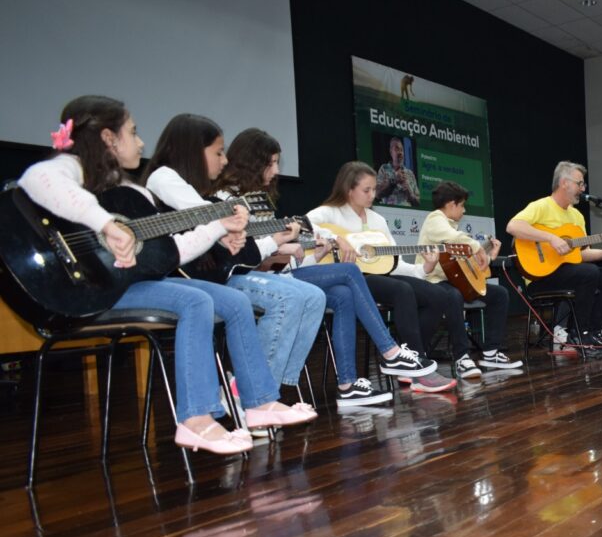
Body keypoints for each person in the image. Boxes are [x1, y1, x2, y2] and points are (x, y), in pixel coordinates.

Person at [17, 96, 313, 456]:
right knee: (196, 299)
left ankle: (259, 402)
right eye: (134, 132)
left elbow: (169, 253)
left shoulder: (132, 193)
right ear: (109, 138)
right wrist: (105, 225)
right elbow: (37, 179)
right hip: (90, 289)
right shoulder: (73, 169)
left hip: (133, 283)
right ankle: (196, 419)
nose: (142, 142)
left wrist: (218, 226)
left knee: (235, 301)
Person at [217, 129, 438, 407]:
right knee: (349, 272)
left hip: (280, 275)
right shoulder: (226, 200)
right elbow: (247, 252)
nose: (275, 170)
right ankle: (390, 350)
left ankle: (347, 385)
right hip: (258, 279)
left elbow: (285, 248)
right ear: (253, 162)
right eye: (271, 163)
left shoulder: (259, 199)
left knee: (344, 295)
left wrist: (317, 244)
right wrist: (287, 246)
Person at [144, 115, 327, 404]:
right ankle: (253, 394)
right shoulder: (164, 178)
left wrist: (237, 234)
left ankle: (267, 389)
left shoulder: (194, 189)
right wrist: (236, 230)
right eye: (218, 152)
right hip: (187, 281)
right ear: (193, 151)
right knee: (289, 298)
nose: (225, 160)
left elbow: (226, 233)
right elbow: (208, 216)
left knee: (315, 296)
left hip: (213, 276)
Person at [307, 161, 457, 393]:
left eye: (374, 189)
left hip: (380, 276)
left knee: (438, 295)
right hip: (350, 279)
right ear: (349, 189)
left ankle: (413, 355)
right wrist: (335, 239)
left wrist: (425, 268)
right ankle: (416, 371)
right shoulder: (328, 213)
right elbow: (301, 227)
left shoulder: (377, 221)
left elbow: (393, 263)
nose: (373, 195)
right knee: (401, 290)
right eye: (366, 190)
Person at [506, 161, 602, 348]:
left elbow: (583, 254)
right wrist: (551, 238)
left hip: (570, 272)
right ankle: (578, 332)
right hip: (540, 276)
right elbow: (513, 226)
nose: (583, 188)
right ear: (564, 183)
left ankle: (593, 331)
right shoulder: (541, 206)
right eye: (580, 183)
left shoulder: (577, 216)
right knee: (588, 272)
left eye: (583, 184)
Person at [416, 181, 522, 377]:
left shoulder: (454, 228)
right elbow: (453, 238)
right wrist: (478, 247)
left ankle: (491, 352)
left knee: (500, 294)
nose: (464, 211)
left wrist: (488, 256)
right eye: (462, 205)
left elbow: (468, 267)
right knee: (454, 296)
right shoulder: (435, 219)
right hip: (432, 282)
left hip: (454, 281)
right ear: (451, 205)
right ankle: (461, 357)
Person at [375, 136, 420, 206]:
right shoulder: (384, 169)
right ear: (391, 152)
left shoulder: (410, 173)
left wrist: (410, 193)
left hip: (408, 215)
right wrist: (394, 181)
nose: (400, 153)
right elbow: (377, 194)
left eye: (402, 150)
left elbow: (418, 202)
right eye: (397, 149)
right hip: (390, 213)